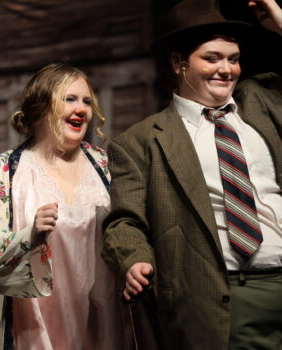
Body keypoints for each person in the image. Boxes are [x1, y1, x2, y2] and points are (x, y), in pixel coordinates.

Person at [102, 0, 282, 349]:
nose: (226, 69)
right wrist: (133, 258)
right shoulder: (140, 141)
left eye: (233, 58)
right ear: (178, 63)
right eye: (212, 58)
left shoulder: (263, 103)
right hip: (218, 298)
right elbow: (124, 221)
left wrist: (280, 24)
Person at [0, 63, 132, 350]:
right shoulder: (2, 173)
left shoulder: (106, 167)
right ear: (43, 105)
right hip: (34, 326)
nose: (82, 109)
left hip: (102, 320)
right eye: (70, 99)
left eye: (86, 101)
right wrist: (29, 237)